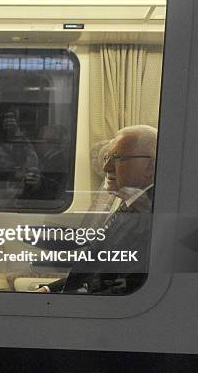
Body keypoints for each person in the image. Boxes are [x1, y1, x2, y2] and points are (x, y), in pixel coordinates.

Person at [37, 125, 157, 294]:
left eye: (118, 158)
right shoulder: (130, 205)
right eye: (108, 158)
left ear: (150, 167)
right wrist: (50, 289)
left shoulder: (149, 214)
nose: (106, 167)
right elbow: (97, 267)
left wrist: (70, 303)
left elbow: (128, 288)